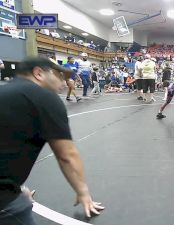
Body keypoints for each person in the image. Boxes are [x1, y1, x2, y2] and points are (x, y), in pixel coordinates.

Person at [0, 57, 104, 225]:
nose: (64, 81)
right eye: (59, 75)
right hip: (3, 201)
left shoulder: (7, 93)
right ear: (39, 73)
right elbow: (66, 155)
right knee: (18, 209)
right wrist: (83, 192)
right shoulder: (43, 97)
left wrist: (17, 188)